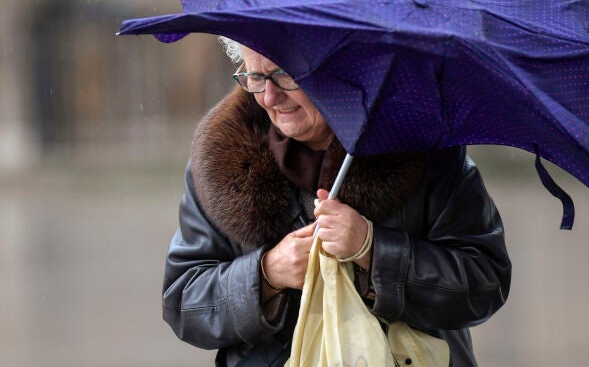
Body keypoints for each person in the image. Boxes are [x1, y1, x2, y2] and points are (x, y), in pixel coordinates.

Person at [162, 38, 512, 366]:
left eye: (284, 75)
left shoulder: (426, 150)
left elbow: (484, 283)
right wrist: (267, 274)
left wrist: (373, 251)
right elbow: (183, 302)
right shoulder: (219, 162)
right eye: (254, 77)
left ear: (337, 65)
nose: (269, 97)